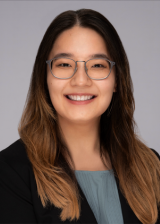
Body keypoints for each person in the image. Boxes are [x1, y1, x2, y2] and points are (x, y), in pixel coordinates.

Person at [0, 8, 160, 224]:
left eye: (97, 65)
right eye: (65, 64)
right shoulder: (10, 172)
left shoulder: (152, 167)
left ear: (117, 81)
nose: (81, 80)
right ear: (44, 77)